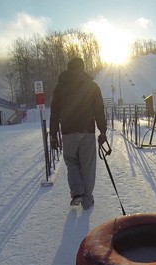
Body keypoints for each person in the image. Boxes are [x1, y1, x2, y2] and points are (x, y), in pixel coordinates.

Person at [50, 57, 107, 210]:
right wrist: (103, 132)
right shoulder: (92, 86)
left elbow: (54, 112)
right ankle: (87, 200)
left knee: (71, 162)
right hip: (87, 131)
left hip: (68, 133)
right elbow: (99, 111)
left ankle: (77, 193)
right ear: (82, 68)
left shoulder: (60, 87)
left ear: (69, 69)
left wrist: (53, 135)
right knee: (88, 166)